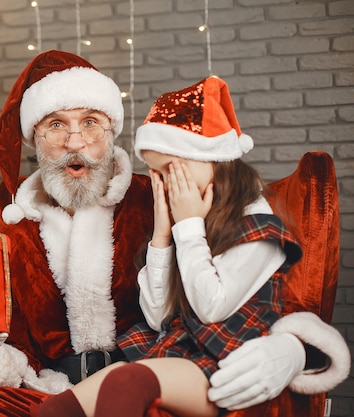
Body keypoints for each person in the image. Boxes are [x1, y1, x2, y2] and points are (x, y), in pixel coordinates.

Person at [0, 51, 350, 417]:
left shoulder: (160, 196)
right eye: (56, 125)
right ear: (34, 140)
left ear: (112, 132)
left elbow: (273, 293)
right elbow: (11, 341)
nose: (75, 142)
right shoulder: (13, 229)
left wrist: (292, 348)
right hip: (48, 384)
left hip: (150, 367)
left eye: (90, 123)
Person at [33, 76, 307, 417]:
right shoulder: (192, 219)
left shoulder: (257, 223)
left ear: (212, 158)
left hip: (226, 361)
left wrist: (189, 227)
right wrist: (162, 236)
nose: (160, 186)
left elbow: (211, 308)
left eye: (170, 172)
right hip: (177, 350)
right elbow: (159, 315)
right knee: (57, 409)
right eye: (156, 174)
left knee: (126, 383)